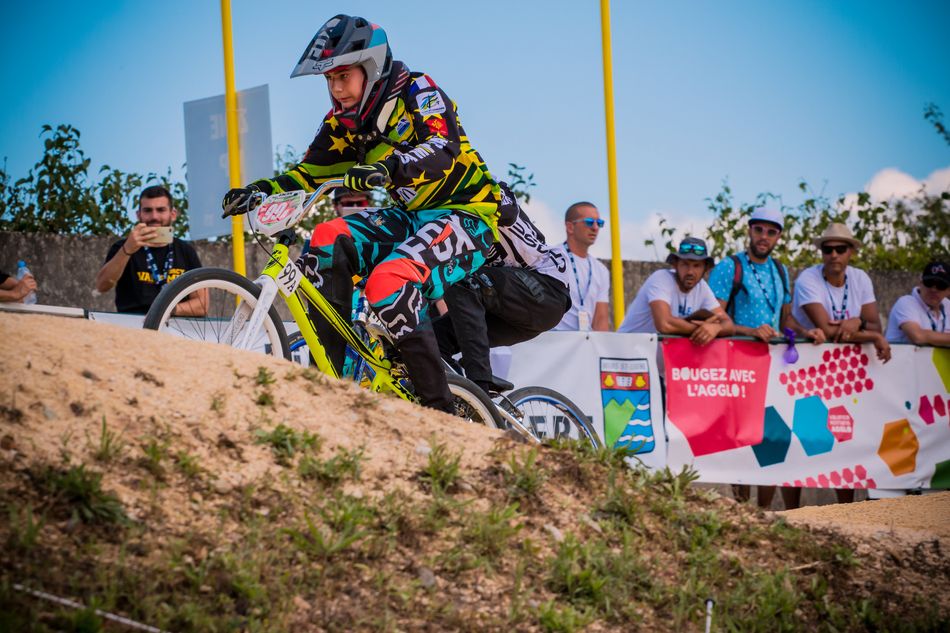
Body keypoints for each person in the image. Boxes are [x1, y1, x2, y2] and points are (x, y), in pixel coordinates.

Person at [220, 14, 508, 412]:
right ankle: (334, 385)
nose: (336, 89)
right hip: (414, 217)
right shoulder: (342, 122)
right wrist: (259, 190)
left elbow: (444, 148)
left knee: (388, 281)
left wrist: (389, 167)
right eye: (329, 79)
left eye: (343, 76)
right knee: (326, 238)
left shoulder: (418, 90)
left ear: (371, 69)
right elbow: (308, 173)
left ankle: (441, 412)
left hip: (469, 215)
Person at [708, 208, 822, 510]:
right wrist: (751, 331)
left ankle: (763, 512)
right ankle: (743, 511)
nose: (764, 237)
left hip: (773, 366)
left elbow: (786, 319)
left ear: (778, 237)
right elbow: (714, 316)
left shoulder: (781, 270)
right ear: (749, 230)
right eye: (759, 230)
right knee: (742, 439)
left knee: (774, 436)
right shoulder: (730, 267)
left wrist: (807, 332)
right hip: (737, 363)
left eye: (771, 232)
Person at [433, 187, 571, 393]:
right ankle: (460, 402)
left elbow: (508, 212)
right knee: (432, 340)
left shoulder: (483, 183)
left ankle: (479, 387)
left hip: (545, 287)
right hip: (504, 306)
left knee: (464, 281)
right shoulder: (432, 217)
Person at [95, 185, 204, 315]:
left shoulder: (186, 251)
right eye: (147, 210)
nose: (154, 216)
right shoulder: (122, 247)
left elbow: (202, 305)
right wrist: (127, 250)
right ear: (138, 215)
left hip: (175, 323)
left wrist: (165, 311)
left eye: (161, 210)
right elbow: (102, 286)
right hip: (131, 323)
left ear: (173, 214)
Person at [791, 223, 891, 363]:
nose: (834, 255)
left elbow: (876, 327)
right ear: (822, 253)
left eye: (840, 249)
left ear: (851, 252)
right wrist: (874, 337)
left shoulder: (860, 278)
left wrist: (858, 322)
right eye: (828, 250)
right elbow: (828, 332)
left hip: (846, 363)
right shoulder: (807, 279)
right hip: (807, 361)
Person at [618, 237, 735, 343]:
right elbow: (665, 324)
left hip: (654, 356)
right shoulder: (661, 278)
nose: (690, 271)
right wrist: (704, 330)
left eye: (696, 266)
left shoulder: (702, 288)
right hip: (626, 352)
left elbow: (729, 324)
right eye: (685, 264)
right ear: (675, 264)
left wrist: (716, 328)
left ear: (706, 268)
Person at [552, 202, 611, 331]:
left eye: (599, 223)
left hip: (585, 341)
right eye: (589, 222)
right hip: (552, 340)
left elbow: (600, 320)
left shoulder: (601, 270)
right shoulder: (551, 258)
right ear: (570, 227)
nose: (595, 228)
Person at [885, 260, 950, 346]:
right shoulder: (906, 302)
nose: (933, 289)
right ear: (920, 283)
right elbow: (918, 336)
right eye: (929, 283)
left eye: (941, 285)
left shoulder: (948, 306)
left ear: (949, 290)